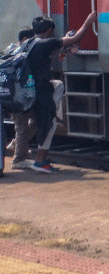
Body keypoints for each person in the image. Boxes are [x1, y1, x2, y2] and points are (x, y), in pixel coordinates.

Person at [22, 13, 96, 173]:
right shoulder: (48, 42)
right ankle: (40, 162)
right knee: (50, 124)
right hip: (41, 91)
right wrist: (88, 21)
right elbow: (75, 38)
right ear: (48, 30)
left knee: (59, 84)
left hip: (29, 89)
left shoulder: (28, 43)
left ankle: (49, 115)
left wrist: (63, 51)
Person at [7, 28, 39, 171]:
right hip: (18, 98)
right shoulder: (19, 53)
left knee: (34, 122)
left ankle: (17, 145)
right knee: (21, 127)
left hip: (17, 96)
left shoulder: (11, 51)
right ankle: (18, 160)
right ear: (25, 39)